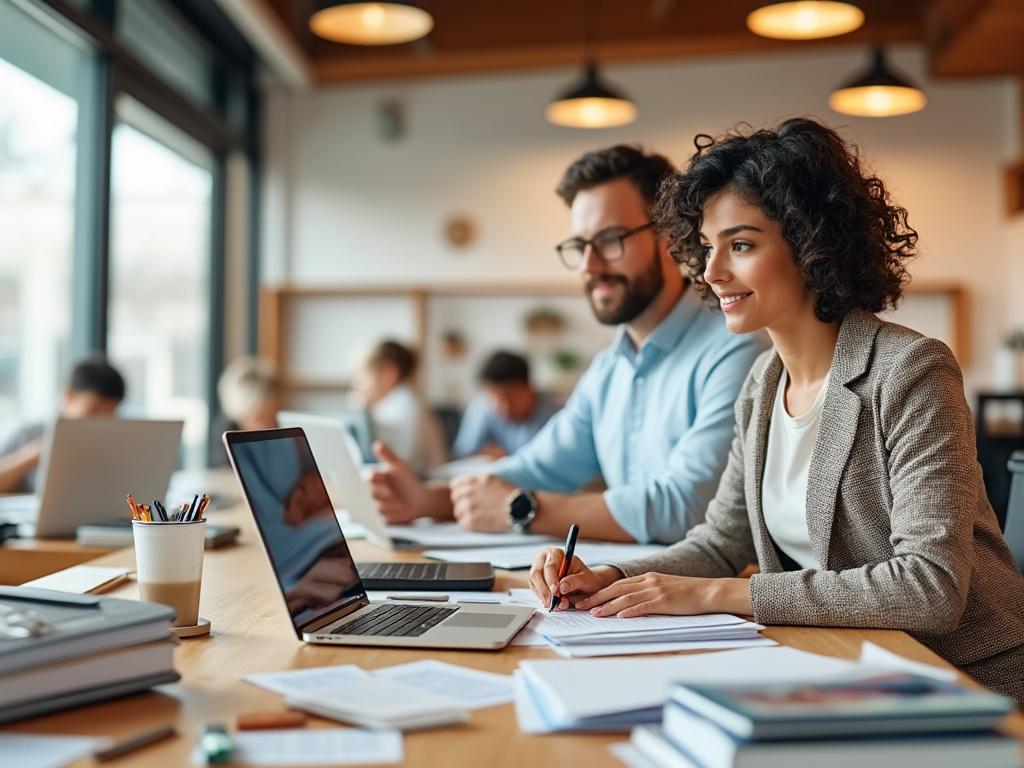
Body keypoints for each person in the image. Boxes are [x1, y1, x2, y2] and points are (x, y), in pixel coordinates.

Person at [530, 118, 1024, 706]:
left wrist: (717, 596)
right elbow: (721, 542)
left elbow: (929, 587)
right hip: (842, 666)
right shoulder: (764, 383)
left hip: (961, 680)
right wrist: (613, 580)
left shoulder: (910, 370)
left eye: (740, 245)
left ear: (812, 243)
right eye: (708, 247)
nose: (712, 272)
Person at [369, 145, 768, 544]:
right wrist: (424, 501)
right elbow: (535, 469)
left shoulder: (735, 348)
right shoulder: (609, 367)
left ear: (669, 236)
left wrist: (522, 509)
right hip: (624, 591)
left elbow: (688, 509)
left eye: (610, 240)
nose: (589, 266)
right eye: (580, 246)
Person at [0, 356, 126, 493]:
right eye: (93, 410)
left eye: (109, 414)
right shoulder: (29, 434)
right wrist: (36, 453)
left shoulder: (114, 445)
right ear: (70, 396)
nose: (99, 421)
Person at [353, 340, 446, 477]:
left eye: (364, 374)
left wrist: (362, 413)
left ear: (389, 373)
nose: (357, 383)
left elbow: (401, 463)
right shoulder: (399, 402)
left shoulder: (404, 405)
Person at [451, 351, 560, 459]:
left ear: (529, 387)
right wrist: (482, 453)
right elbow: (463, 450)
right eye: (495, 397)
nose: (505, 407)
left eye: (512, 396)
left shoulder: (556, 415)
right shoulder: (482, 407)